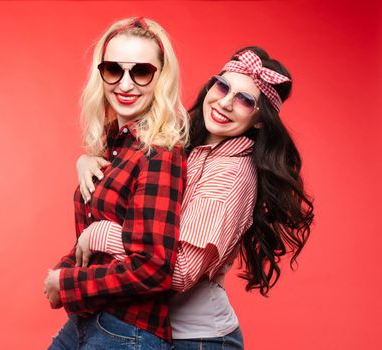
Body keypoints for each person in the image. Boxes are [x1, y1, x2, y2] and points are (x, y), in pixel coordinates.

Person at [74, 47, 314, 349]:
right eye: (223, 86)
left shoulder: (231, 176)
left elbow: (181, 272)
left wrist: (101, 234)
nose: (225, 102)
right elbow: (127, 178)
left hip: (197, 339)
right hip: (135, 323)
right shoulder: (184, 145)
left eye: (245, 100)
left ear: (260, 121)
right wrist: (87, 161)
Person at [43, 17, 190, 349]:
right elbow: (97, 240)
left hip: (129, 331)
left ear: (161, 78)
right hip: (92, 320)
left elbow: (152, 267)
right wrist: (60, 272)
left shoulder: (159, 154)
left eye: (141, 72)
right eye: (114, 70)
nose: (125, 85)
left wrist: (65, 283)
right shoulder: (117, 148)